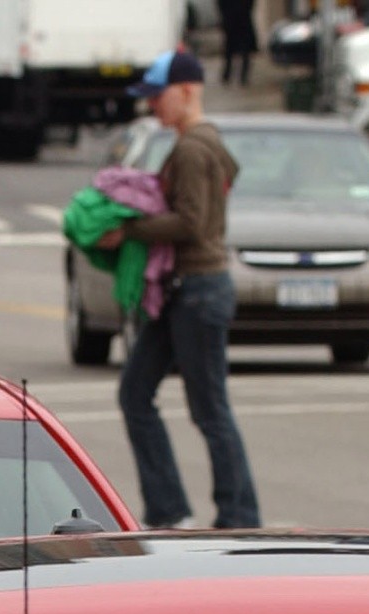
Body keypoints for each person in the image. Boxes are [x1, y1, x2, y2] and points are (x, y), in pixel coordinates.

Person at [107, 49, 259, 530]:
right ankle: (169, 508)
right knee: (137, 393)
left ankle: (237, 514)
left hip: (198, 286)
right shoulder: (204, 142)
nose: (153, 105)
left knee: (208, 408)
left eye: (159, 95)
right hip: (187, 289)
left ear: (188, 91)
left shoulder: (193, 147)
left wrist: (128, 229)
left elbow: (191, 224)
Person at [218, 0, 257, 85]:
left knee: (242, 50)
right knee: (231, 49)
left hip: (240, 19)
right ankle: (229, 74)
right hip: (235, 18)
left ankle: (240, 75)